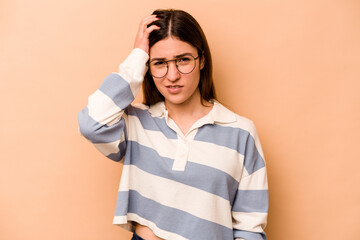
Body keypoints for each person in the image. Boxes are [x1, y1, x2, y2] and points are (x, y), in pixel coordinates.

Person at [78, 9, 268, 240]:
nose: (172, 75)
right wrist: (137, 56)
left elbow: (249, 227)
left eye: (183, 60)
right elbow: (91, 124)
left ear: (202, 60)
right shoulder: (136, 122)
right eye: (159, 63)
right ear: (148, 68)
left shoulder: (241, 132)